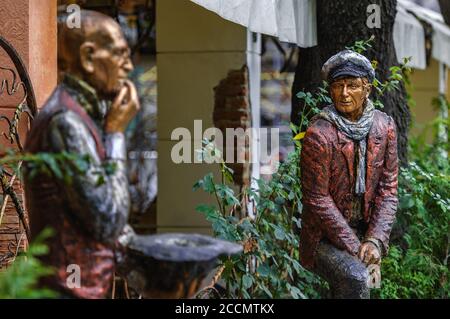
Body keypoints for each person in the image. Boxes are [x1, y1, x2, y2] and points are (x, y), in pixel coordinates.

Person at [24, 10, 139, 299]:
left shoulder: (80, 115)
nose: (128, 66)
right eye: (120, 55)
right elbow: (107, 220)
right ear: (88, 58)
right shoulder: (66, 122)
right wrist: (116, 134)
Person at [299, 50, 398, 298]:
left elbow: (388, 189)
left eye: (352, 86)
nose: (344, 94)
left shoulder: (384, 127)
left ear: (366, 89)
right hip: (326, 236)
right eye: (338, 86)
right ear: (330, 90)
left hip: (367, 231)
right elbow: (317, 200)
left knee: (370, 286)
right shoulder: (319, 134)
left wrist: (374, 239)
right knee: (355, 277)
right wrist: (356, 246)